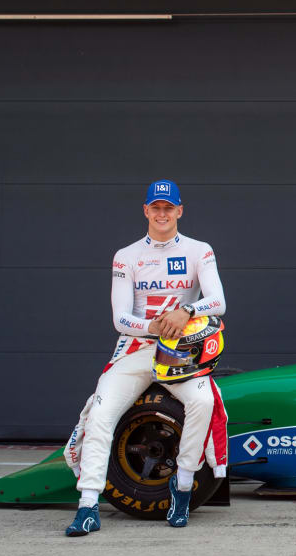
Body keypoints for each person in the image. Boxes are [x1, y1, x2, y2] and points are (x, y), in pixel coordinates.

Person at [65, 180, 228, 536]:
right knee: (100, 413)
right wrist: (151, 326)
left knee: (202, 402)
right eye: (156, 207)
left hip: (180, 352)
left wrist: (187, 310)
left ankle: (182, 487)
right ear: (146, 211)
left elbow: (218, 302)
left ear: (180, 211)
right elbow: (120, 319)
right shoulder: (126, 255)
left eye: (168, 208)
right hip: (137, 348)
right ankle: (88, 506)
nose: (162, 214)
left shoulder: (200, 250)